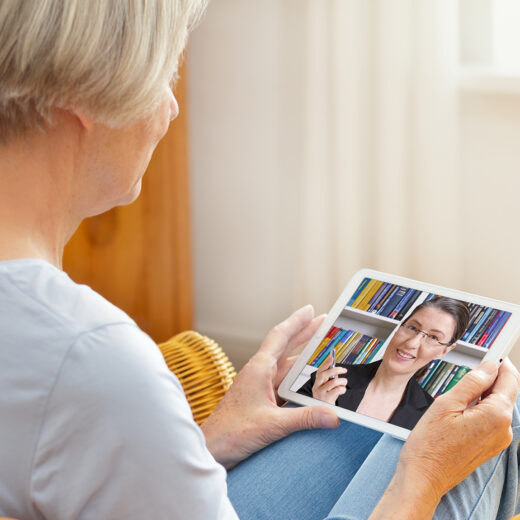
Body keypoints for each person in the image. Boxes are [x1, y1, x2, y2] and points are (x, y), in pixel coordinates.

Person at [0, 1, 518, 519]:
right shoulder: (92, 359)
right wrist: (422, 482)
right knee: (495, 419)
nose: (172, 107)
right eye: (164, 76)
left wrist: (204, 444)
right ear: (86, 97)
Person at [298, 297, 470, 429]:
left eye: (433, 337)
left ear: (444, 350)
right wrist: (318, 410)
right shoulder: (328, 380)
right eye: (412, 328)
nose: (412, 343)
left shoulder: (431, 417)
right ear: (399, 327)